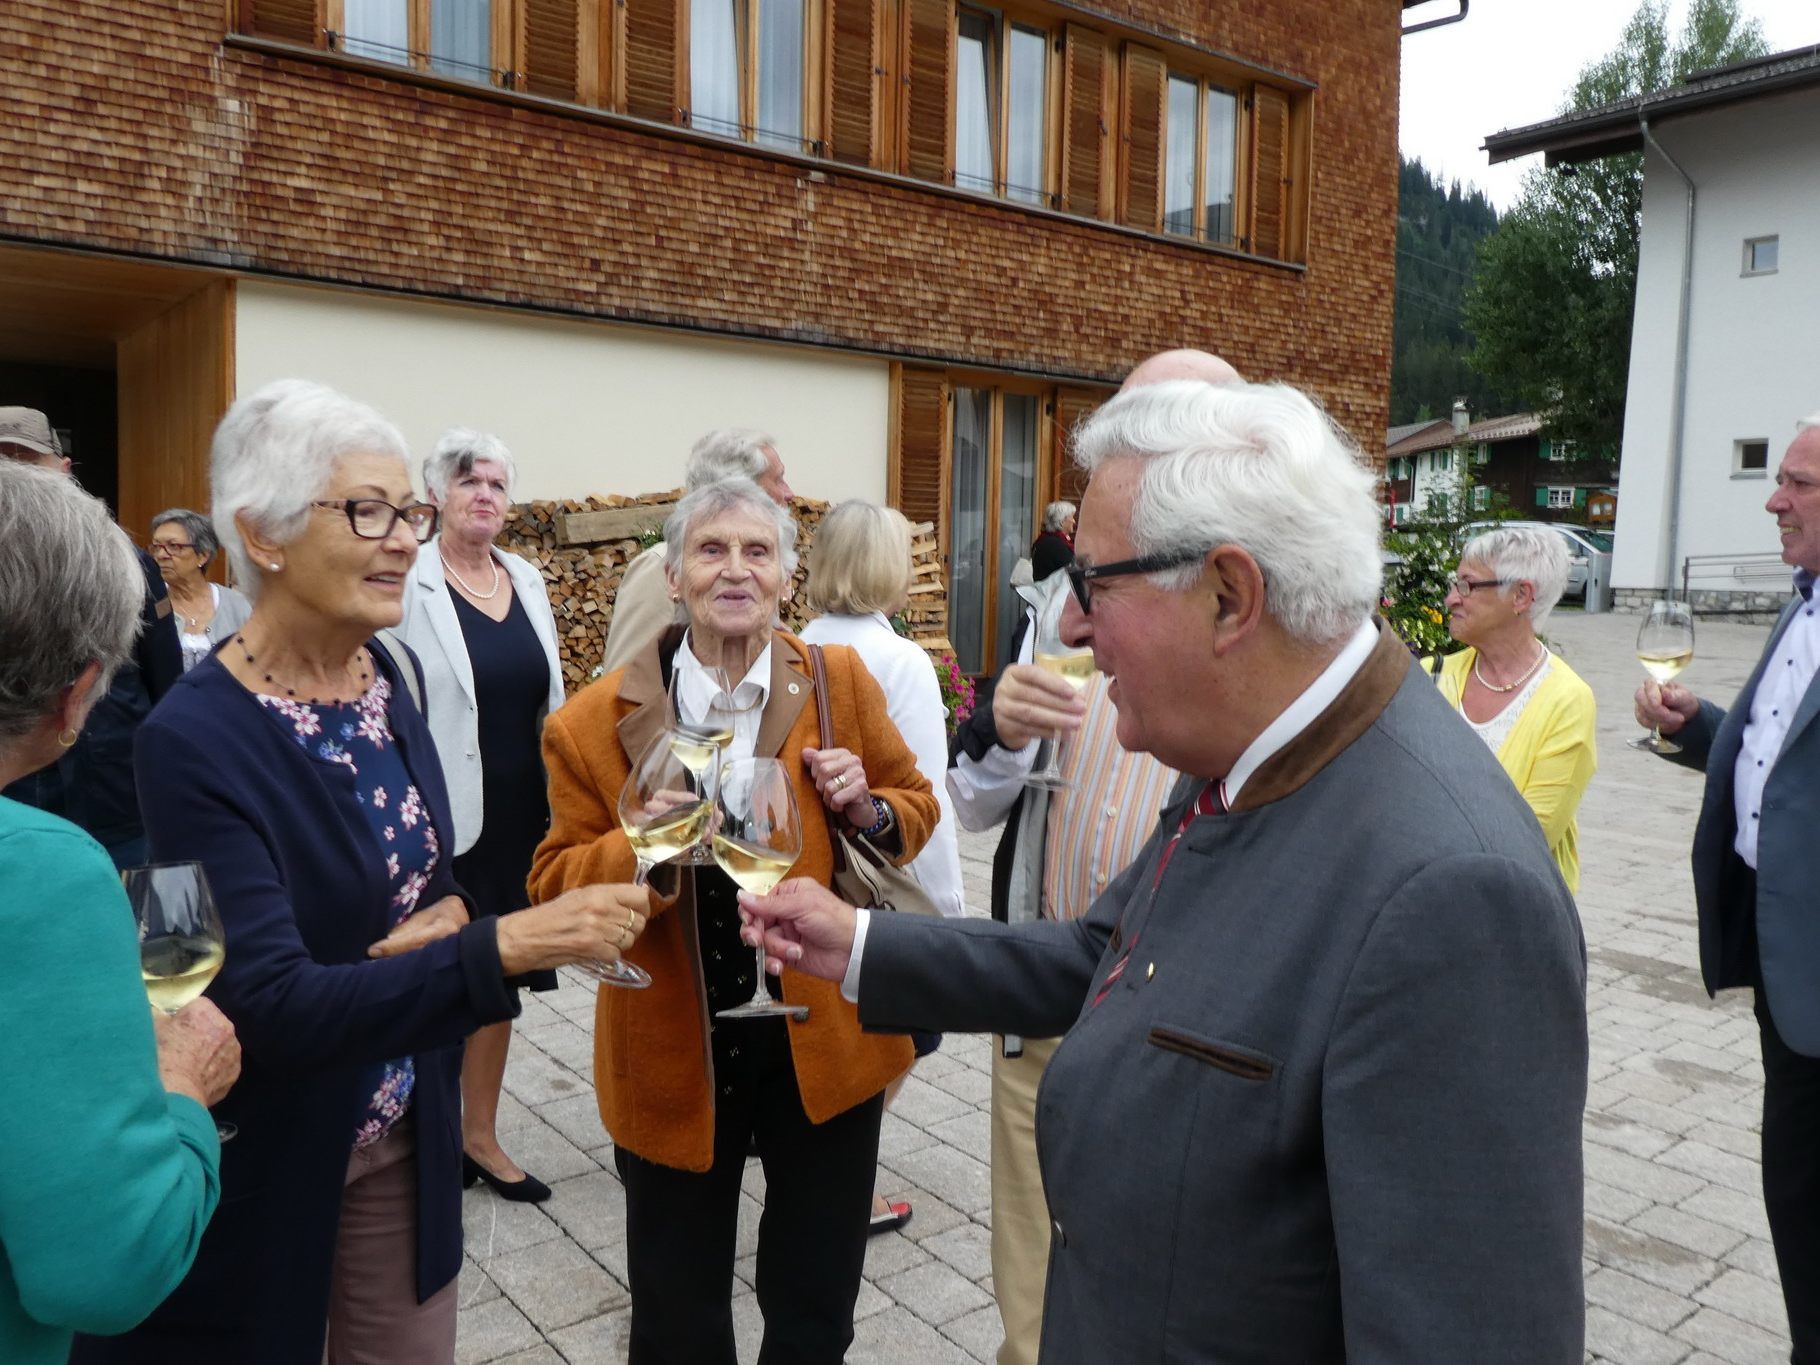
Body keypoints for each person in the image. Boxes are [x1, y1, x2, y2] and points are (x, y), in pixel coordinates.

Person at [740, 377, 1589, 1364]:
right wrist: (860, 946)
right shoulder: (1246, 748)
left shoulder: (1454, 898)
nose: (1067, 628)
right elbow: (1109, 956)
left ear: (1229, 596)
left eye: (1092, 583)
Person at [70, 380, 653, 1365]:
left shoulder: (388, 679)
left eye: (409, 512)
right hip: (279, 1149)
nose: (403, 540)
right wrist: (503, 940)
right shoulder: (191, 739)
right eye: (367, 510)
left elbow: (424, 879)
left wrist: (456, 907)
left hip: (403, 1126)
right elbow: (258, 999)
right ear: (262, 534)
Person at [530, 477, 938, 1365]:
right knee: (676, 1322)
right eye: (712, 549)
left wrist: (865, 807)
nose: (736, 569)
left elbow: (916, 807)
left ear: (789, 577)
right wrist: (640, 843)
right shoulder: (591, 723)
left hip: (823, 1041)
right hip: (673, 1045)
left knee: (815, 1304)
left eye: (758, 551)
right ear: (672, 575)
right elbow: (553, 885)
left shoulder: (838, 682)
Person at [948, 347, 1230, 1365]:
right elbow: (973, 805)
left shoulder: (1252, 613)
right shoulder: (1062, 599)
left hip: (1183, 1026)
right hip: (1043, 1009)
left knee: (1154, 1285)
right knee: (1030, 1289)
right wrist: (1002, 729)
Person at [0, 461, 241, 1365]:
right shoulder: (41, 873)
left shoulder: (204, 623)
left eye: (182, 546)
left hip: (142, 817)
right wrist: (180, 1086)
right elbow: (104, 1268)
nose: (172, 554)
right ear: (76, 689)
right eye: (165, 545)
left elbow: (163, 709)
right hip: (68, 830)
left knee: (175, 959)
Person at [1634, 413, 1820, 1362]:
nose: (1773, 497)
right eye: (1776, 475)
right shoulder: (1805, 599)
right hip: (1787, 977)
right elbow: (1781, 757)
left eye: (1797, 482)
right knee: (1795, 1198)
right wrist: (1696, 723)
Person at [396, 427, 566, 1203]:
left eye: (497, 483)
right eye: (469, 482)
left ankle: (479, 1135)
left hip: (522, 814)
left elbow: (550, 700)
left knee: (500, 978)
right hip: (439, 815)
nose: (485, 495)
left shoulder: (525, 578)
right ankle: (418, 1135)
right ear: (436, 495)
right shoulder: (408, 581)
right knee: (438, 975)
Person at [799, 498, 964, 1233]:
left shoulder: (795, 642)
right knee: (907, 1036)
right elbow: (926, 798)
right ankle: (840, 1179)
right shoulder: (900, 659)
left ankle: (822, 1166)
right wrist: (947, 906)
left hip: (815, 871)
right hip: (883, 875)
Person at [1, 406, 182, 866]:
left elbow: (166, 677)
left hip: (111, 791)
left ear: (64, 470)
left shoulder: (128, 561)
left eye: (27, 461)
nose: (17, 477)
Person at [1435, 526, 1596, 891]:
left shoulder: (1566, 700)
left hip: (1515, 915)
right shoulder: (1432, 676)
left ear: (1521, 595)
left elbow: (1529, 834)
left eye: (1467, 585)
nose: (1451, 599)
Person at [600, 428, 794, 675]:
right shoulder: (660, 564)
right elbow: (625, 681)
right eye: (778, 479)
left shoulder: (768, 565)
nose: (789, 492)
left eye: (756, 552)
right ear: (741, 487)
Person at [149, 509, 253, 671]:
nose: (161, 555)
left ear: (203, 556)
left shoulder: (239, 606)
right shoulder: (149, 605)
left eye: (173, 546)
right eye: (156, 547)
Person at [1029, 501, 1077, 582]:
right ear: (1062, 522)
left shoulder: (1044, 540)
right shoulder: (1055, 545)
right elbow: (1075, 570)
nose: (1074, 521)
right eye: (1071, 517)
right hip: (1054, 593)